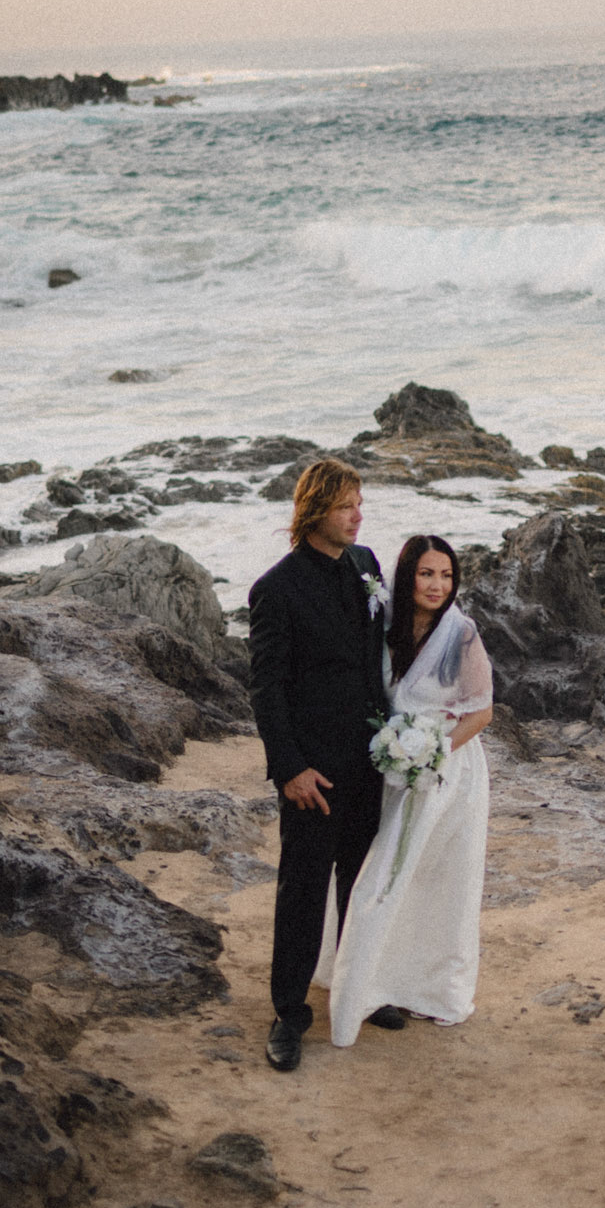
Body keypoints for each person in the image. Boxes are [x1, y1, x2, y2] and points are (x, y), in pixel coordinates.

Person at [248, 459, 405, 1073]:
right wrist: (290, 769)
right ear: (314, 511)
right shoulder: (276, 589)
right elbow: (267, 689)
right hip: (313, 772)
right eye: (345, 506)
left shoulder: (366, 565)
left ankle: (358, 987)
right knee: (304, 889)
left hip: (371, 762)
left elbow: (386, 653)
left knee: (361, 884)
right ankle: (289, 1013)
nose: (357, 516)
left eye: (360, 503)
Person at [318, 535, 494, 1046]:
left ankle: (426, 986)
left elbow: (482, 712)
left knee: (435, 880)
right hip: (391, 767)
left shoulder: (461, 634)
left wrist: (433, 753)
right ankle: (368, 977)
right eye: (426, 574)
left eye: (447, 576)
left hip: (446, 773)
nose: (438, 585)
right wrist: (400, 752)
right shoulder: (384, 626)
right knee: (383, 873)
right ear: (407, 576)